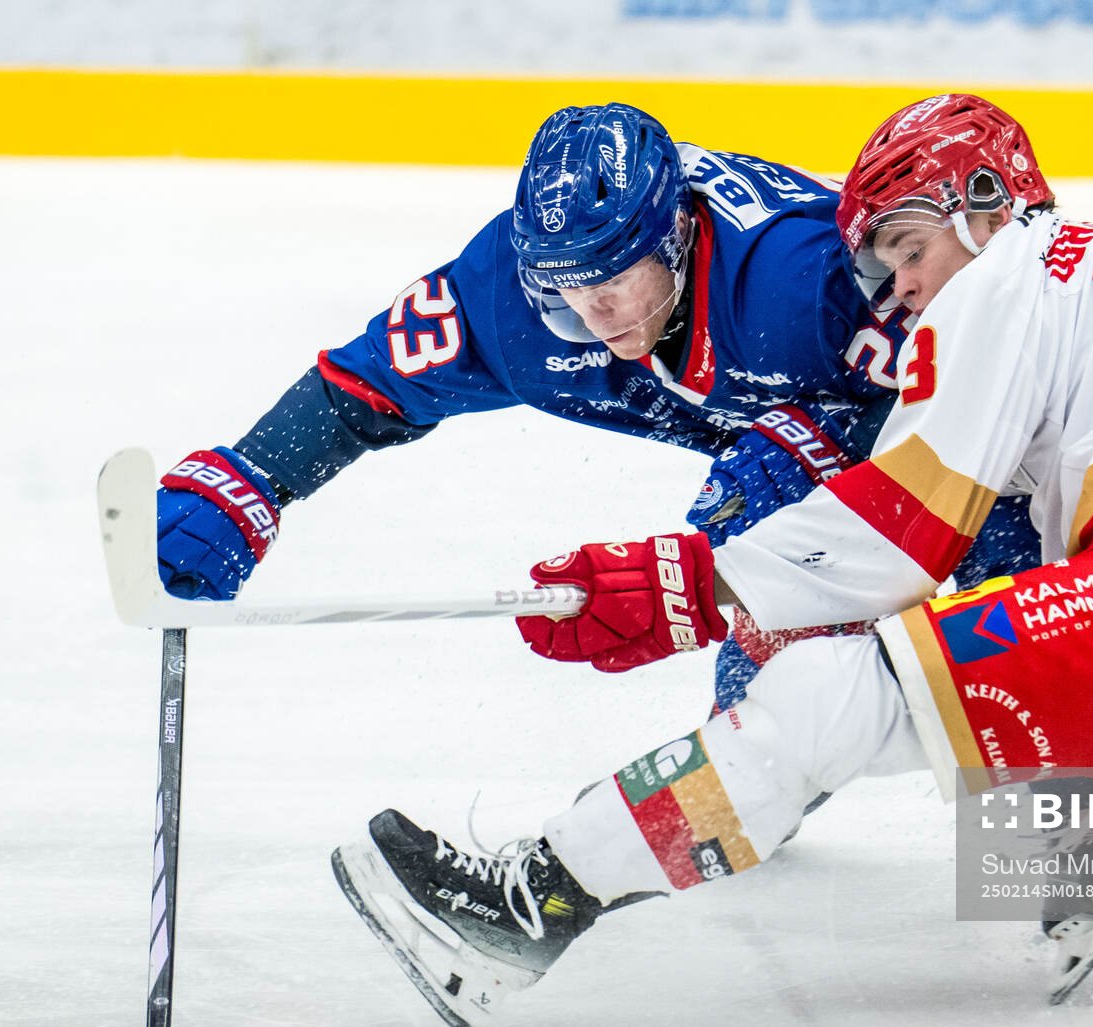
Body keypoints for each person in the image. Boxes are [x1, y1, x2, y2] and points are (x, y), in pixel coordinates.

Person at [330, 94, 1093, 1027]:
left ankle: (530, 903)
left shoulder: (1024, 267)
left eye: (910, 249)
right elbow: (999, 570)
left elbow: (903, 527)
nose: (905, 291)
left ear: (987, 197)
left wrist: (684, 584)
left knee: (836, 698)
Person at [152, 102, 1038, 712]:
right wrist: (248, 481)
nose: (589, 316)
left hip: (940, 435)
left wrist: (815, 469)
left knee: (1001, 610)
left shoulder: (803, 284)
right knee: (772, 693)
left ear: (678, 239)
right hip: (779, 429)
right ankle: (768, 738)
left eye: (613, 281)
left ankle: (1088, 816)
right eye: (561, 292)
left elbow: (982, 404)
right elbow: (360, 391)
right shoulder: (502, 303)